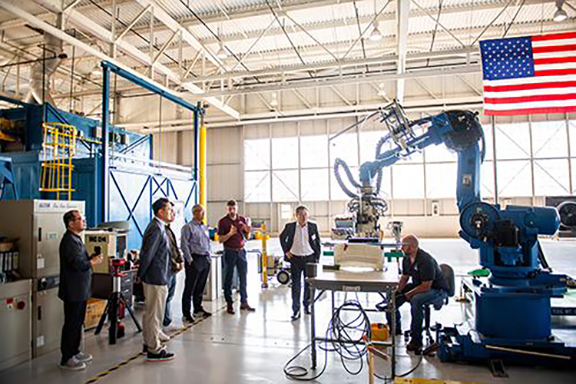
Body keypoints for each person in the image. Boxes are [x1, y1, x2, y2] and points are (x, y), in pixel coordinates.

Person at [58, 210, 103, 370]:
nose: (83, 221)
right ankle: (67, 357)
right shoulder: (69, 241)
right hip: (73, 290)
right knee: (71, 323)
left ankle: (75, 351)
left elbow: (80, 260)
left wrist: (90, 258)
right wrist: (92, 262)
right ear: (71, 223)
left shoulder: (76, 239)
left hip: (81, 289)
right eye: (80, 219)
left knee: (78, 323)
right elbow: (78, 264)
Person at [386, 235, 447, 352]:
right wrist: (398, 292)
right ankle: (395, 328)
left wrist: (406, 296)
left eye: (404, 247)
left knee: (416, 300)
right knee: (391, 294)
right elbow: (404, 278)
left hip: (436, 289)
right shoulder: (407, 259)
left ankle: (416, 340)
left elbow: (426, 286)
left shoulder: (425, 260)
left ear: (413, 247)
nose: (402, 249)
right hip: (420, 285)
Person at [138, 198, 180, 362]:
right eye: (169, 209)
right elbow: (148, 254)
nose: (172, 212)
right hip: (155, 277)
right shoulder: (156, 228)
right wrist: (141, 274)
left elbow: (160, 253)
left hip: (160, 274)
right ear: (161, 212)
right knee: (154, 314)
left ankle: (148, 341)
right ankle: (154, 350)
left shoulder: (160, 227)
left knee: (152, 313)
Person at [279, 206, 321, 321]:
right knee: (296, 286)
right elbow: (282, 237)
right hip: (295, 259)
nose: (304, 217)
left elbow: (317, 242)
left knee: (309, 285)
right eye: (301, 215)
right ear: (296, 216)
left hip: (309, 259)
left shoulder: (313, 226)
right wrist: (286, 251)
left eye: (306, 215)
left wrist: (317, 258)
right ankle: (296, 310)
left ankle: (307, 306)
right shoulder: (290, 227)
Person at [218, 200, 255, 314]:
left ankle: (244, 302)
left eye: (233, 208)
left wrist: (248, 231)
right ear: (227, 209)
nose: (232, 211)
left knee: (243, 278)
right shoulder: (223, 222)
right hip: (229, 252)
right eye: (230, 209)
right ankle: (229, 303)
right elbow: (220, 240)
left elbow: (246, 237)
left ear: (237, 208)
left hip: (241, 252)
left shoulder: (242, 220)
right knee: (228, 278)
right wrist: (229, 233)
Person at [181, 204, 212, 322]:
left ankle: (198, 309)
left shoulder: (204, 227)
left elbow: (207, 243)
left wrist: (209, 256)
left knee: (200, 286)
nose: (203, 214)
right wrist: (190, 260)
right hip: (195, 259)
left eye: (204, 211)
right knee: (190, 287)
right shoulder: (188, 227)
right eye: (201, 212)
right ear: (195, 213)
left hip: (205, 259)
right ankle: (186, 313)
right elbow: (184, 245)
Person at [163, 208, 184, 328]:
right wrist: (173, 263)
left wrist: (180, 261)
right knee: (164, 295)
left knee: (170, 295)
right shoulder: (159, 230)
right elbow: (163, 251)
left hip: (173, 268)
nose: (173, 214)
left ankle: (166, 318)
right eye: (170, 211)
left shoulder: (169, 229)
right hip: (166, 268)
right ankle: (164, 319)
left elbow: (174, 247)